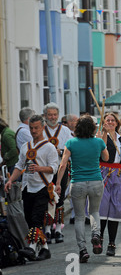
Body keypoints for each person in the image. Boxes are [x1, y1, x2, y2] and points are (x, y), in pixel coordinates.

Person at [4, 115, 59, 261]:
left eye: (36, 128)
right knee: (30, 219)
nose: (34, 131)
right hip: (27, 187)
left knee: (36, 218)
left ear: (43, 128)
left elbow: (54, 168)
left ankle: (31, 247)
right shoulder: (25, 147)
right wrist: (10, 180)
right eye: (31, 128)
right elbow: (19, 166)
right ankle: (45, 249)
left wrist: (39, 168)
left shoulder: (49, 147)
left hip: (43, 187)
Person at [55, 115, 108, 263]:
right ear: (92, 128)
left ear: (77, 128)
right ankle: (96, 234)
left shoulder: (71, 142)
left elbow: (63, 164)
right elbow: (106, 157)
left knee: (79, 217)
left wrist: (58, 183)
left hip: (77, 182)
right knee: (94, 211)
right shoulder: (98, 142)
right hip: (96, 181)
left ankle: (82, 249)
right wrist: (101, 141)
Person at [98, 112, 121, 256]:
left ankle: (112, 243)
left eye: (113, 120)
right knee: (102, 206)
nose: (110, 122)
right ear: (104, 123)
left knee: (116, 209)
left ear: (117, 123)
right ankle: (99, 238)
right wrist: (102, 134)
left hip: (119, 176)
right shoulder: (100, 138)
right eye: (107, 120)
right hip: (103, 174)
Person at [42, 102, 73, 243]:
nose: (52, 117)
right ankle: (47, 230)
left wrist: (60, 151)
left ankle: (59, 230)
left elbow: (72, 149)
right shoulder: (41, 130)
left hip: (61, 168)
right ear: (45, 116)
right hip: (45, 169)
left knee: (59, 198)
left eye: (55, 114)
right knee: (47, 198)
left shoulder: (65, 131)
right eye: (50, 114)